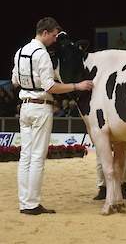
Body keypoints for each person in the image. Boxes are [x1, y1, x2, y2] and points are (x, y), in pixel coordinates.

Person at [11, 17, 93, 215]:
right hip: (40, 107)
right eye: (54, 35)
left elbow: (15, 81)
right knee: (37, 157)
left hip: (25, 107)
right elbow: (50, 87)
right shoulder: (42, 55)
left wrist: (31, 82)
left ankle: (25, 202)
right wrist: (77, 86)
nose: (55, 39)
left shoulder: (20, 52)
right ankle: (32, 204)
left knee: (25, 157)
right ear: (45, 32)